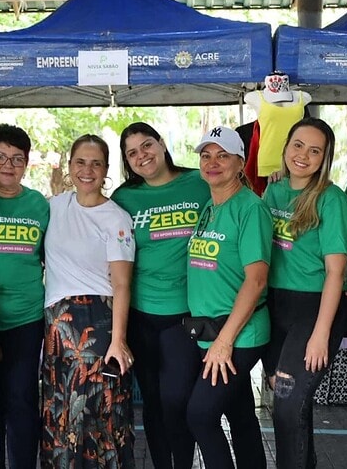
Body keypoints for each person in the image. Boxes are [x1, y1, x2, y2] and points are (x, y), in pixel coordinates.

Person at [110, 122, 208, 469]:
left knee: (177, 401)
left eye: (147, 145)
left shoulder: (199, 182)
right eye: (132, 153)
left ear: (163, 144)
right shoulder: (124, 198)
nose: (142, 156)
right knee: (152, 402)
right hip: (141, 315)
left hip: (186, 314)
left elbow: (237, 199)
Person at [172, 126, 270, 469]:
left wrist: (225, 341)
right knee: (241, 417)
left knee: (200, 416)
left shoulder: (250, 208)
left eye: (223, 155)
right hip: (212, 332)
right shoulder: (209, 209)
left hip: (238, 336)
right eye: (206, 155)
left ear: (241, 163)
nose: (213, 163)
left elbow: (256, 280)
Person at [260, 118, 347, 468]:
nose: (304, 155)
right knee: (290, 406)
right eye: (298, 145)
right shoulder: (273, 192)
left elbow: (336, 271)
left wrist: (321, 334)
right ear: (285, 147)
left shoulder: (332, 200)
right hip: (275, 307)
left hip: (315, 309)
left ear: (325, 158)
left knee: (286, 407)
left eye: (315, 150)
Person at [40, 134, 136, 468]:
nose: (87, 170)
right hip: (56, 327)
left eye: (96, 163)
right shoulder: (54, 207)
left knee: (99, 416)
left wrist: (119, 340)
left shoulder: (116, 218)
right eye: (80, 162)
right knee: (61, 415)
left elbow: (122, 284)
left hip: (97, 327)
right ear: (69, 167)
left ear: (106, 170)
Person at [0, 125, 49, 469]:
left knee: (22, 401)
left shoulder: (39, 205)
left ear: (27, 164)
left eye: (17, 159)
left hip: (26, 319)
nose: (7, 165)